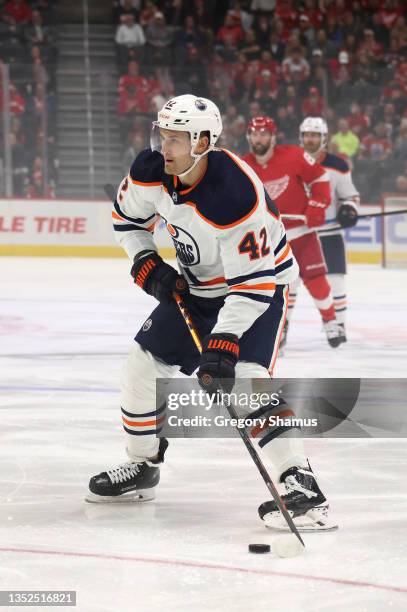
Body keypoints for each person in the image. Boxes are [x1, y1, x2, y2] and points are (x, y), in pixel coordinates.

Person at [86, 94, 333, 531]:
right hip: (198, 288)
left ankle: (301, 483)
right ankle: (143, 466)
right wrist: (145, 262)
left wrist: (224, 340)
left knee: (244, 380)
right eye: (163, 135)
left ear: (203, 142)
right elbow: (127, 220)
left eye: (177, 139)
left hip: (258, 289)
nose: (165, 147)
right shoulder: (150, 171)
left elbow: (254, 282)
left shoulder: (236, 195)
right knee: (140, 366)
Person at [243, 116, 344, 348]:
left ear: (273, 137)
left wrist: (317, 206)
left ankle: (331, 322)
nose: (259, 138)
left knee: (317, 281)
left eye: (263, 133)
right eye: (255, 133)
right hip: (269, 239)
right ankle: (281, 328)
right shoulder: (243, 165)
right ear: (249, 136)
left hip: (302, 233)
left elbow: (320, 178)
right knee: (278, 286)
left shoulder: (295, 155)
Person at [291, 117, 359, 341]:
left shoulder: (338, 165)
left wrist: (349, 209)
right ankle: (281, 330)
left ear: (324, 138)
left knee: (336, 279)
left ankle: (338, 326)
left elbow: (350, 195)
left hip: (329, 234)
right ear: (301, 137)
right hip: (298, 233)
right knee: (289, 282)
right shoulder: (291, 161)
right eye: (307, 135)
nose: (310, 140)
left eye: (315, 135)